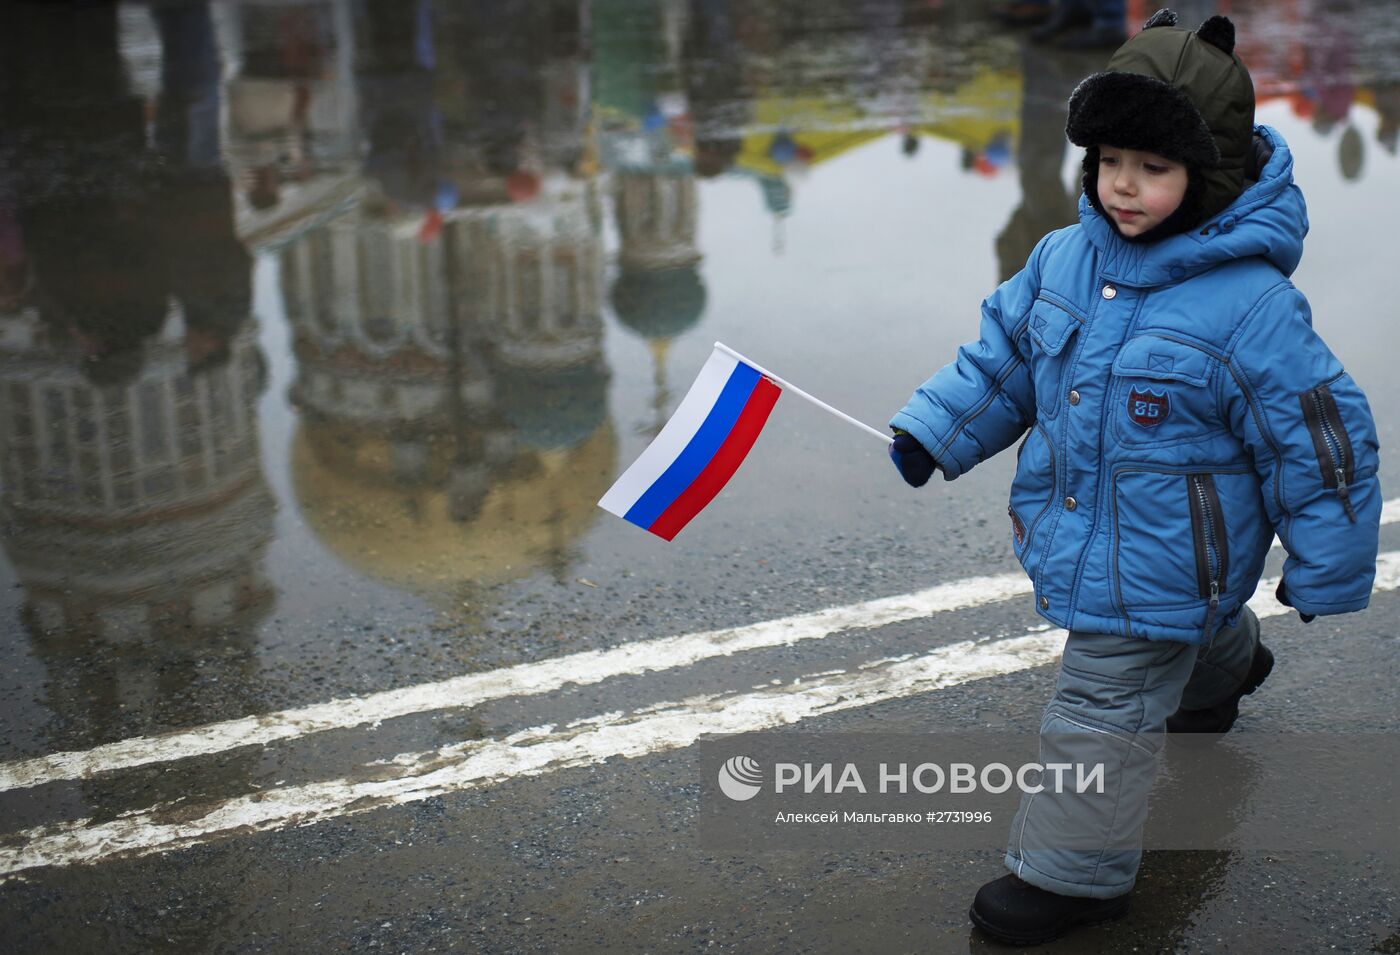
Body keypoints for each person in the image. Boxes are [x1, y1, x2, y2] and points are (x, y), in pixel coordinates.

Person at [886, 10, 1381, 946]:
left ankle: (1073, 877)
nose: (1124, 185)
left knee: (1101, 703)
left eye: (1154, 168)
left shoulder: (1249, 303)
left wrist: (1328, 561)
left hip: (1167, 550)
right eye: (1112, 159)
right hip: (1099, 527)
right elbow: (1003, 359)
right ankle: (1225, 668)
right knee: (1184, 629)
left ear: (1211, 176)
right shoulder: (1063, 258)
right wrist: (934, 431)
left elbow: (1319, 439)